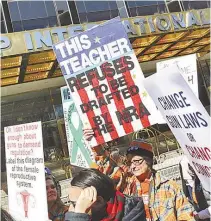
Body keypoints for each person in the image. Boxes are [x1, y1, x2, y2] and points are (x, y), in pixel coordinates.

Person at [84, 129, 195, 221]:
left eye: (137, 161)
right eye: (129, 162)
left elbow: (185, 215)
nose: (133, 166)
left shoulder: (170, 187)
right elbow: (108, 166)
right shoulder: (126, 184)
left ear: (148, 161)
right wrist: (95, 143)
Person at [65, 168, 146, 221]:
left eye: (76, 204)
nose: (71, 209)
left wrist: (79, 216)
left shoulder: (132, 214)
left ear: (98, 201)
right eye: (70, 202)